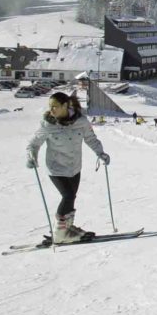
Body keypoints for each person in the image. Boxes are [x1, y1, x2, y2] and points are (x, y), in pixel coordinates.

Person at [25, 92, 111, 244]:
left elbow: (90, 138)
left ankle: (68, 228)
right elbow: (34, 143)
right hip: (56, 168)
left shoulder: (81, 121)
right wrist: (32, 155)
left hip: (74, 167)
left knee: (72, 197)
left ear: (65, 106)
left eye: (55, 107)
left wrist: (100, 153)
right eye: (50, 107)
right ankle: (60, 233)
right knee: (68, 196)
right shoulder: (48, 124)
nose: (51, 110)